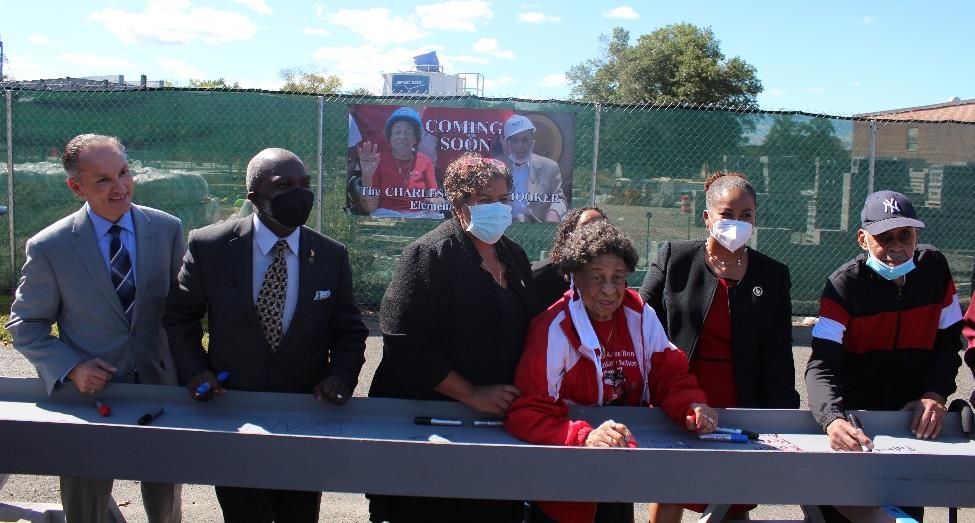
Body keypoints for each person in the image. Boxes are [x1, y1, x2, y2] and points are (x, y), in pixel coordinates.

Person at [164, 148, 368, 523]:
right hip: (233, 410)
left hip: (306, 414)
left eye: (305, 184)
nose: (300, 193)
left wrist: (341, 375)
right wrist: (194, 371)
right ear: (254, 197)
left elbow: (349, 331)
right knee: (243, 513)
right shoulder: (210, 247)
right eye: (284, 185)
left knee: (300, 513)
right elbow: (179, 317)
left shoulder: (329, 255)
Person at [6, 134, 184, 522]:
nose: (119, 186)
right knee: (85, 505)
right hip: (91, 397)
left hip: (159, 389)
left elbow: (181, 312)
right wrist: (71, 367)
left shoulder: (167, 229)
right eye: (102, 179)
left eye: (123, 172)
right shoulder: (50, 247)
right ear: (76, 187)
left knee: (166, 501)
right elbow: (25, 324)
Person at [505, 221, 717, 523]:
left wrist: (692, 405)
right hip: (564, 480)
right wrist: (584, 436)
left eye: (618, 278)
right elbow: (526, 412)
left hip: (619, 467)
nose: (609, 289)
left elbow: (670, 377)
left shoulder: (640, 314)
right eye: (597, 278)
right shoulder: (553, 327)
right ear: (576, 278)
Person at [368, 153, 538, 522]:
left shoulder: (514, 256)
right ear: (458, 204)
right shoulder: (429, 255)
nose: (499, 208)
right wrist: (471, 393)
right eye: (486, 200)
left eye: (504, 199)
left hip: (496, 425)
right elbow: (403, 341)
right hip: (431, 425)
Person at [639, 172, 799, 522]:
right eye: (727, 214)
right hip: (680, 394)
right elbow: (640, 317)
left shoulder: (772, 274)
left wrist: (785, 413)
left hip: (742, 398)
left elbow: (778, 351)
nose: (737, 222)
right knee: (671, 491)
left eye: (747, 215)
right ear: (707, 217)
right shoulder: (674, 257)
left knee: (733, 500)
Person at [806, 190, 962, 523]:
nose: (895, 246)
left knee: (904, 515)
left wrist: (934, 394)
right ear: (863, 239)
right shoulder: (842, 286)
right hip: (856, 430)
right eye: (883, 236)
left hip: (910, 428)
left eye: (904, 235)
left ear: (916, 235)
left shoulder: (936, 268)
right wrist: (832, 418)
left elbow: (949, 343)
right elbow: (821, 364)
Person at [356, 107, 441, 218]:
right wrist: (366, 176)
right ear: (390, 137)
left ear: (415, 139)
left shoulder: (425, 161)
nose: (402, 137)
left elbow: (433, 195)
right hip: (386, 216)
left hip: (419, 216)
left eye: (407, 132)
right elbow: (369, 207)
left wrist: (435, 201)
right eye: (397, 132)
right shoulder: (377, 161)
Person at [494, 114, 566, 223]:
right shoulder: (496, 166)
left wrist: (554, 212)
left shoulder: (550, 167)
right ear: (508, 142)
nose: (520, 145)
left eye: (525, 140)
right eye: (515, 140)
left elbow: (560, 200)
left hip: (536, 226)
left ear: (532, 140)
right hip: (502, 225)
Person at [532, 206, 607, 308]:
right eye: (585, 227)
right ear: (568, 235)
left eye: (601, 227)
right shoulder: (541, 278)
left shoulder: (612, 279)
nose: (594, 232)